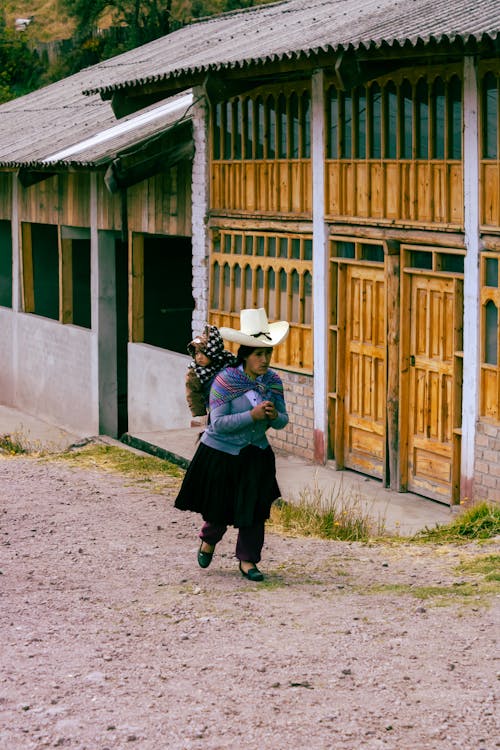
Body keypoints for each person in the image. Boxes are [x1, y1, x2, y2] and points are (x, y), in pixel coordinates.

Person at [175, 308, 289, 582]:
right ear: (245, 356)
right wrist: (253, 415)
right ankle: (208, 540)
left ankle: (248, 561)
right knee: (220, 510)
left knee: (255, 511)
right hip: (222, 453)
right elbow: (218, 424)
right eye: (259, 354)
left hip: (256, 453)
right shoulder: (225, 381)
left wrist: (274, 417)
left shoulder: (272, 382)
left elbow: (283, 421)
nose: (265, 360)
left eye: (268, 354)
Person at [185, 324, 236, 417]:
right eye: (196, 353)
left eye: (203, 353)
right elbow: (193, 395)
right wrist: (200, 413)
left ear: (213, 353)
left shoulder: (224, 360)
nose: (199, 357)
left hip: (232, 399)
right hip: (213, 405)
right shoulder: (195, 373)